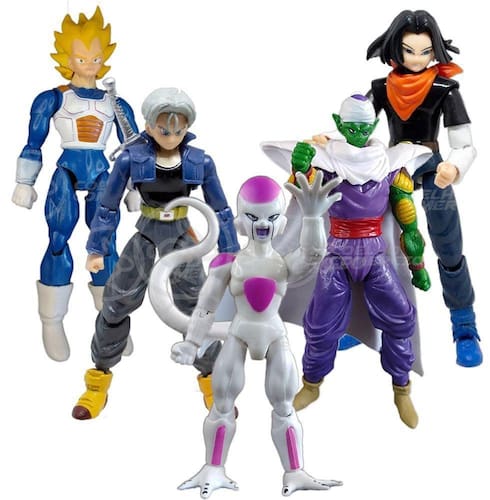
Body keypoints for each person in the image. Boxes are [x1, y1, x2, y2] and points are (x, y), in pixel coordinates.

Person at [149, 174, 342, 497]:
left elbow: (312, 254)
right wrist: (192, 343)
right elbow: (206, 307)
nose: (262, 225)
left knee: (284, 405)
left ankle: (295, 471)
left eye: (270, 217)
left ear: (281, 223)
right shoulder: (229, 264)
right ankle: (213, 467)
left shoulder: (282, 264)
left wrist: (311, 218)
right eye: (253, 217)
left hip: (274, 335)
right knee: (222, 404)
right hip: (238, 334)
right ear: (240, 222)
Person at [262, 94, 431, 428]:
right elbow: (302, 194)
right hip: (337, 253)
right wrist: (301, 166)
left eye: (364, 127)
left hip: (375, 254)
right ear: (339, 124)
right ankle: (312, 383)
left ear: (374, 125)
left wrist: (418, 265)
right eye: (351, 127)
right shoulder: (327, 165)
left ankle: (401, 388)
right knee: (320, 324)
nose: (357, 133)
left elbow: (408, 223)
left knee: (400, 319)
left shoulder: (390, 167)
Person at [71, 87, 239, 420]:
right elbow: (107, 206)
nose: (172, 137)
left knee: (198, 308)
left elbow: (220, 209)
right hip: (147, 233)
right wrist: (97, 248)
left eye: (179, 130)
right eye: (164, 130)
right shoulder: (131, 159)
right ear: (148, 126)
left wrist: (230, 252)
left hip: (181, 235)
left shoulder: (199, 161)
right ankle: (97, 381)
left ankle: (214, 383)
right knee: (116, 303)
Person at [13, 7, 137, 361]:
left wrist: (134, 188)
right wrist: (24, 181)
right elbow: (34, 141)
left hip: (102, 174)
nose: (89, 64)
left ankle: (112, 320)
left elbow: (133, 148)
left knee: (106, 245)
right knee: (58, 239)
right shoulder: (53, 98)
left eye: (95, 57)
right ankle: (51, 320)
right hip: (66, 170)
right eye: (81, 58)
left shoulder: (116, 103)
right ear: (66, 58)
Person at [366, 9, 481, 367]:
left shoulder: (444, 89)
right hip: (395, 166)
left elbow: (465, 143)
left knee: (448, 241)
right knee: (372, 240)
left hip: (432, 167)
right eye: (409, 50)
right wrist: (333, 139)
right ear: (395, 49)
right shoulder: (382, 89)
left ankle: (464, 325)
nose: (417, 58)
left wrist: (454, 166)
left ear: (435, 51)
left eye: (425, 52)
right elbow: (358, 128)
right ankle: (365, 320)